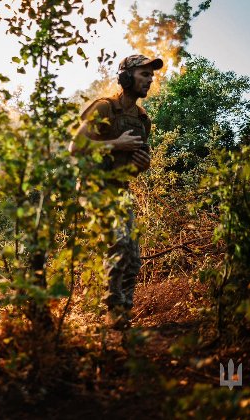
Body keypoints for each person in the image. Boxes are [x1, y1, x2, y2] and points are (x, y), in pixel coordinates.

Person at [69, 54, 163, 328]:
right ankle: (112, 309)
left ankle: (123, 313)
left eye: (151, 76)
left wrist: (142, 165)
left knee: (133, 256)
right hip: (94, 186)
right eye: (144, 74)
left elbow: (132, 164)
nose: (149, 79)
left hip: (119, 188)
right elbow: (75, 148)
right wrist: (115, 144)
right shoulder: (104, 108)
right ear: (125, 77)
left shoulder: (143, 120)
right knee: (119, 241)